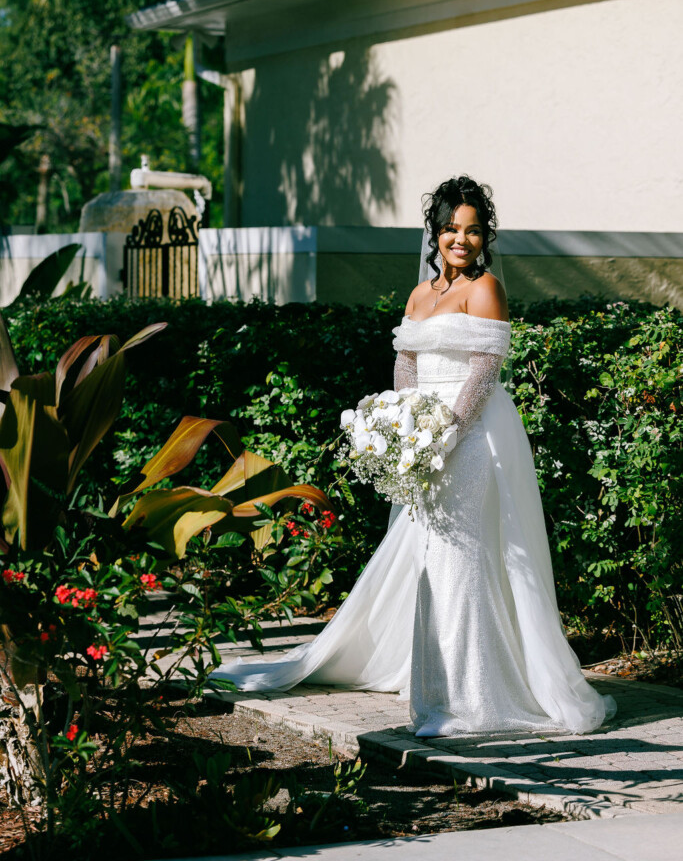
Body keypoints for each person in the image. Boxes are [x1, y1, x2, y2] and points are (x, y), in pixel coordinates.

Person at [211, 176, 616, 736]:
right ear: (436, 232)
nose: (462, 240)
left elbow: (482, 372)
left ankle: (469, 702)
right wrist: (401, 424)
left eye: (473, 231)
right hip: (422, 437)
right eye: (452, 229)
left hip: (473, 440)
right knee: (431, 560)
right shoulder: (421, 295)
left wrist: (445, 432)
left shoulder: (486, 289)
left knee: (462, 563)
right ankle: (439, 690)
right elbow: (406, 362)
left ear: (484, 238)